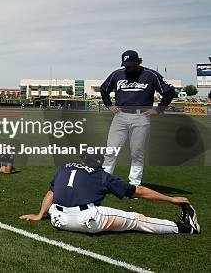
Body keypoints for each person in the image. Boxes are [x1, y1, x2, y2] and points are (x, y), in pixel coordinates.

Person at [19, 153, 200, 235]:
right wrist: (171, 199)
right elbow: (137, 191)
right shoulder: (101, 175)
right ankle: (185, 228)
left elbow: (51, 192)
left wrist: (39, 215)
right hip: (86, 220)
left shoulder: (64, 167)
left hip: (57, 219)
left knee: (59, 201)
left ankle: (48, 214)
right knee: (137, 220)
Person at [100, 50, 175, 185]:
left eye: (131, 65)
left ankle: (134, 184)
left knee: (137, 152)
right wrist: (109, 105)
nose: (128, 67)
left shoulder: (151, 75)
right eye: (126, 65)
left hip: (141, 117)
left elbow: (169, 91)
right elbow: (104, 89)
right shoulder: (117, 74)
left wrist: (159, 109)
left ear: (138, 62)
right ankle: (104, 181)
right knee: (111, 149)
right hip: (120, 116)